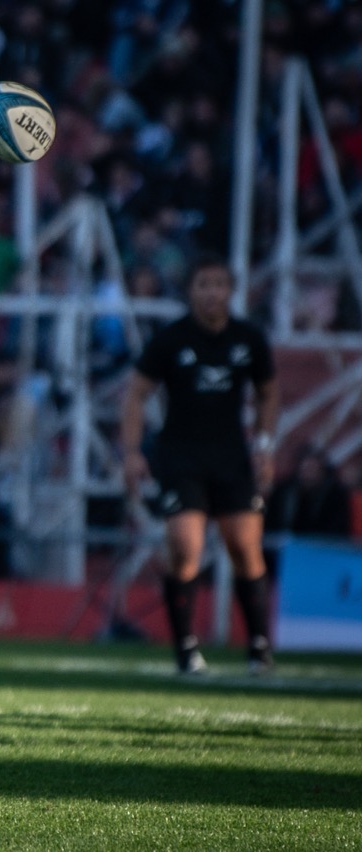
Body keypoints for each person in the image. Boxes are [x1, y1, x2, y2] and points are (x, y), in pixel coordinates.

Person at [120, 253, 279, 675]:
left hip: (232, 456)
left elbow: (268, 392)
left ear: (232, 290)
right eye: (203, 285)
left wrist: (264, 443)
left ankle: (259, 646)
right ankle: (186, 648)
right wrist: (132, 452)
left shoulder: (248, 339)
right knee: (185, 546)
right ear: (191, 292)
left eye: (219, 285)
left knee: (245, 548)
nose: (212, 293)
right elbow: (136, 393)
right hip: (181, 455)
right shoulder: (172, 339)